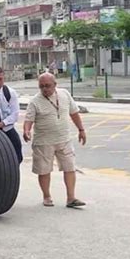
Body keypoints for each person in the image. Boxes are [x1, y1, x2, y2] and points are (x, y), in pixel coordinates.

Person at [23, 73, 86, 208]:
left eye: (48, 86)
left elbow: (74, 113)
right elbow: (29, 119)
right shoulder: (35, 101)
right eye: (42, 86)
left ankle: (71, 198)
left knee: (70, 167)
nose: (45, 89)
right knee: (44, 170)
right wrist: (26, 131)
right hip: (44, 142)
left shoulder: (64, 94)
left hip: (64, 139)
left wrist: (81, 130)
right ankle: (47, 196)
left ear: (55, 85)